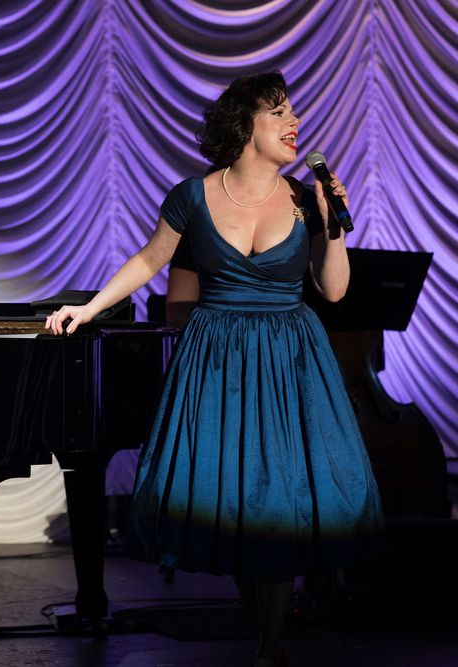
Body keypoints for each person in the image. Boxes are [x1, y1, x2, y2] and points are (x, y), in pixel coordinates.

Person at [46, 73, 384, 666]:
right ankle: (267, 643)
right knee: (236, 504)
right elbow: (149, 260)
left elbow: (333, 290)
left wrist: (333, 224)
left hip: (288, 359)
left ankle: (269, 649)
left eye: (293, 111)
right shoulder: (192, 196)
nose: (294, 121)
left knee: (277, 502)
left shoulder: (304, 199)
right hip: (218, 361)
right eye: (278, 111)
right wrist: (90, 307)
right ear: (244, 125)